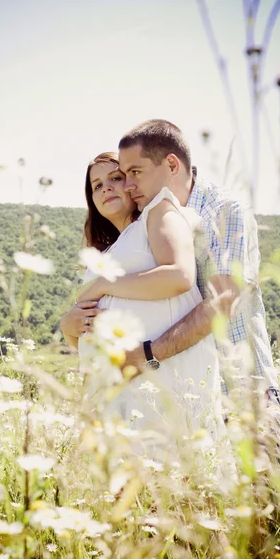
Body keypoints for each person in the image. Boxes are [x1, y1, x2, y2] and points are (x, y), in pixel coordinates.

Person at [60, 119, 280, 418]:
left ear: (172, 165)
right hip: (168, 394)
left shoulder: (224, 211)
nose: (126, 185)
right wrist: (70, 327)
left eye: (133, 173)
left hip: (239, 388)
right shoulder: (137, 232)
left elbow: (222, 301)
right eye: (120, 176)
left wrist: (145, 355)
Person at [62, 150, 232, 465]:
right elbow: (87, 331)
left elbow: (178, 276)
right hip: (111, 389)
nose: (106, 189)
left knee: (170, 483)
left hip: (157, 376)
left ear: (133, 182)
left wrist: (103, 285)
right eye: (96, 186)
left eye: (115, 178)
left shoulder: (153, 218)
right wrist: (68, 328)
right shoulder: (107, 250)